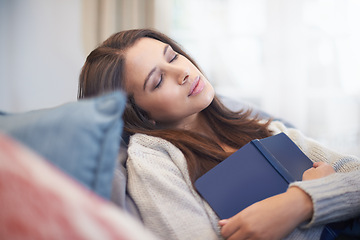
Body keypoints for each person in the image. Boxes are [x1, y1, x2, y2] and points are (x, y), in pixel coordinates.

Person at [78, 28, 360, 240]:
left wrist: (303, 201)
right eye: (158, 80)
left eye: (173, 56)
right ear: (139, 114)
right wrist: (313, 204)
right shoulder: (153, 160)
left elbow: (355, 173)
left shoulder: (262, 128)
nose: (182, 72)